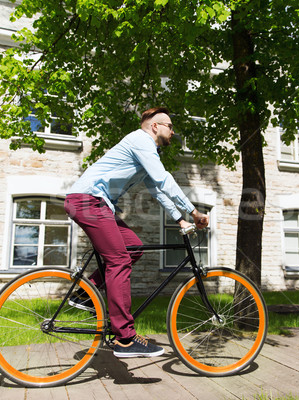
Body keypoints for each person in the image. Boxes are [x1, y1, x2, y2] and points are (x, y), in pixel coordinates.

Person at [64, 107, 209, 358]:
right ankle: (126, 339)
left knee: (134, 246)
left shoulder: (146, 152)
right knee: (119, 260)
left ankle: (86, 294)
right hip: (88, 202)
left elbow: (157, 190)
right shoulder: (140, 141)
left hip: (97, 205)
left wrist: (179, 219)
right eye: (170, 126)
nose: (173, 133)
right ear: (155, 126)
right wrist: (193, 211)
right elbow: (164, 179)